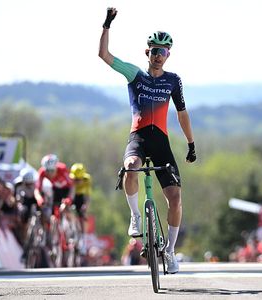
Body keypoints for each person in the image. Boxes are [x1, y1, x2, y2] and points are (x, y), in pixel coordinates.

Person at [98, 7, 196, 274]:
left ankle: (170, 251)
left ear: (168, 55)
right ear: (147, 52)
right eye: (154, 51)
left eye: (162, 52)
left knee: (175, 198)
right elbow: (104, 56)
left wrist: (191, 144)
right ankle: (136, 215)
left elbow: (182, 114)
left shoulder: (174, 81)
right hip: (139, 136)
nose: (157, 56)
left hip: (161, 141)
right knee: (130, 167)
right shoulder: (135, 75)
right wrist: (106, 25)